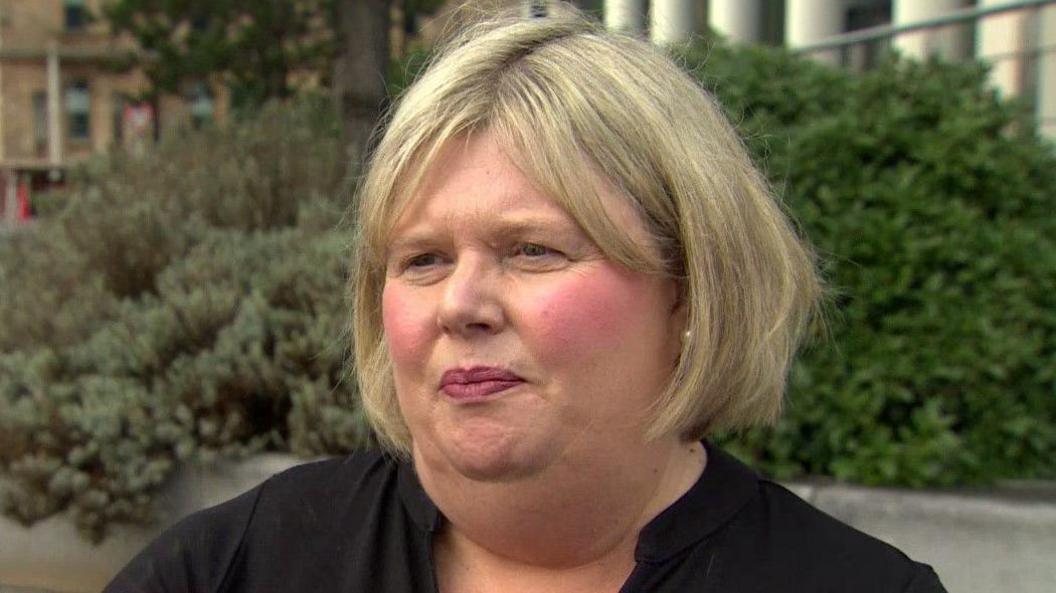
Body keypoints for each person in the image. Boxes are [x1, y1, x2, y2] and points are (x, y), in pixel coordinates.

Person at [104, 4, 947, 593]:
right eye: (424, 259)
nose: (461, 303)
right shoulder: (232, 567)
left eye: (533, 250)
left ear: (691, 286)